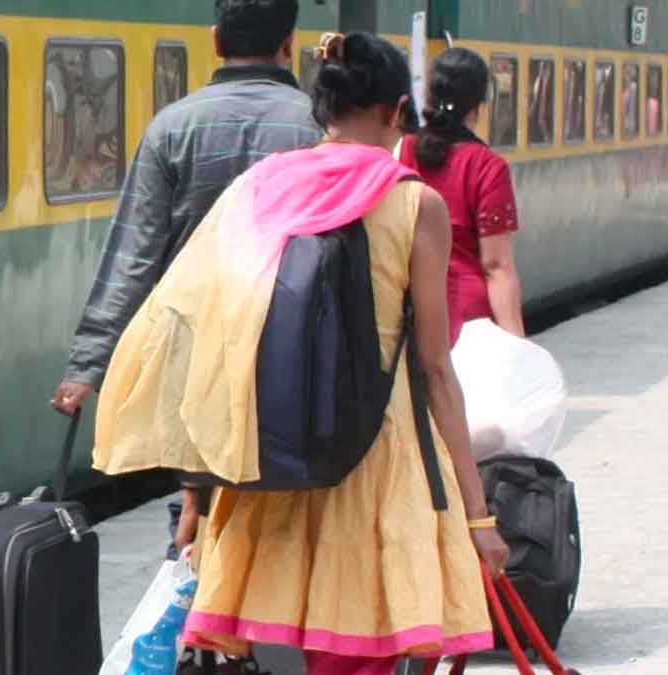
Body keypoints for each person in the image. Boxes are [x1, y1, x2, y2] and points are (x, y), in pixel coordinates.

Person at [92, 33, 509, 674]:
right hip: (379, 460)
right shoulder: (412, 202)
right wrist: (479, 519)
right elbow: (434, 369)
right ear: (399, 112)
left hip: (272, 459)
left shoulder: (258, 189)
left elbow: (210, 337)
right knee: (362, 654)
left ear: (322, 108)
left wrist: (199, 492)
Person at [49, 0, 321, 558]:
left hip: (199, 351)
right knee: (282, 505)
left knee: (198, 508)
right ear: (289, 42)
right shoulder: (315, 126)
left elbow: (134, 254)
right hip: (294, 348)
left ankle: (196, 621)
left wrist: (87, 366)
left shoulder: (172, 127)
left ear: (216, 39)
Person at [399, 48, 524, 346]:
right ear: (479, 105)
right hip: (467, 322)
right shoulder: (488, 166)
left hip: (410, 309)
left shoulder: (405, 151)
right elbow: (497, 267)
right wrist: (518, 345)